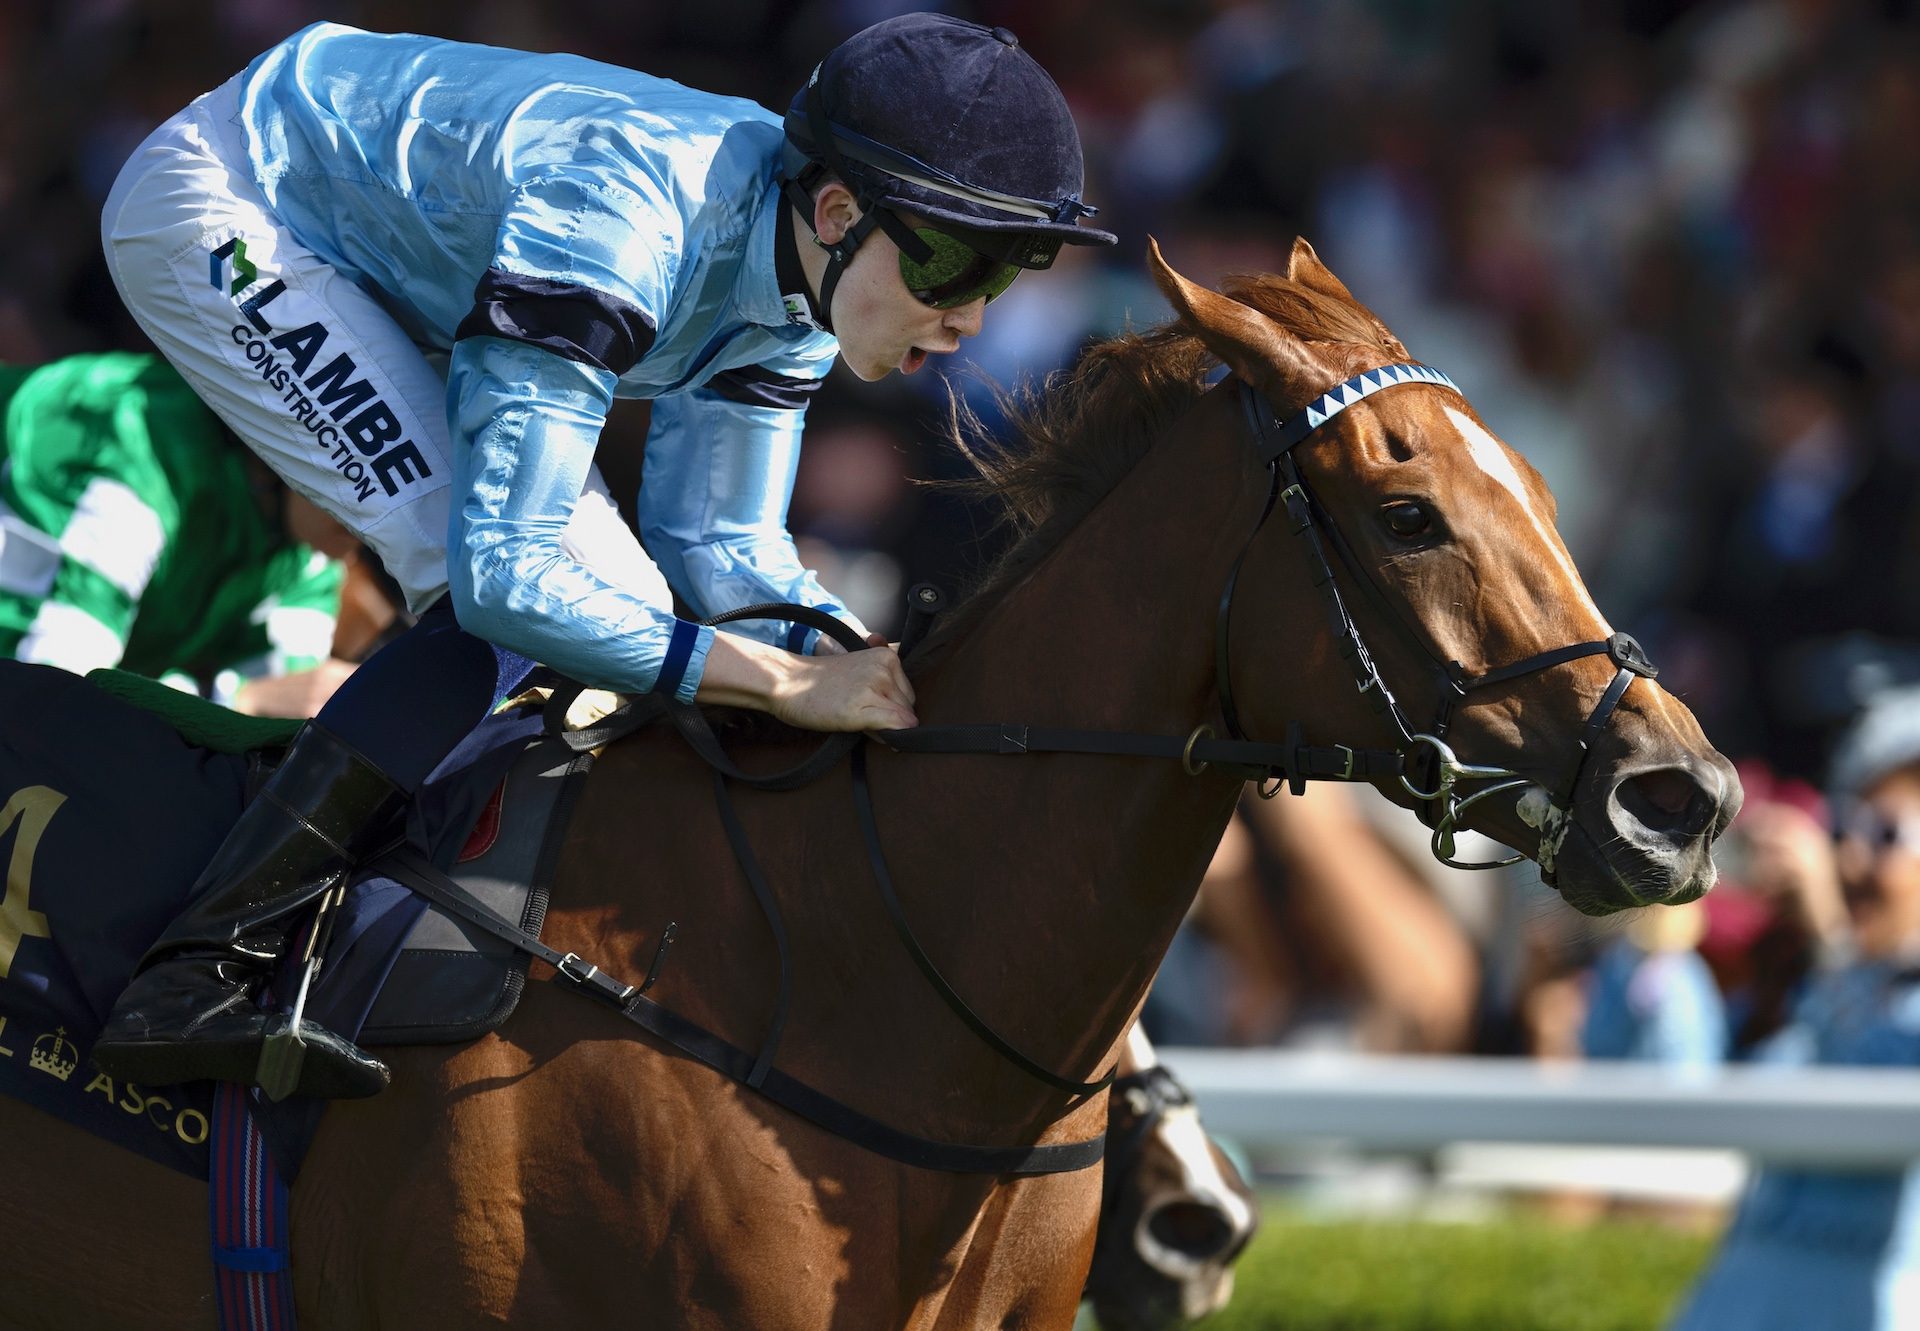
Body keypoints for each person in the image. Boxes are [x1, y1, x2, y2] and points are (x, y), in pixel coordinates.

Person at [85, 15, 1114, 1100]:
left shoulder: (808, 278)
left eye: (1012, 267)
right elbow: (507, 578)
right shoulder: (622, 218)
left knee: (616, 605)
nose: (971, 318)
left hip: (374, 240)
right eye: (956, 260)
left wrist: (883, 679)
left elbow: (721, 546)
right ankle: (200, 968)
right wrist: (786, 679)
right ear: (838, 209)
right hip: (232, 201)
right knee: (498, 580)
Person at [1669, 683, 1920, 1331]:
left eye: (1886, 834)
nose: (1851, 857)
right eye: (1842, 828)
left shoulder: (1837, 969)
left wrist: (1831, 944)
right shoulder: (1804, 983)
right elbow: (1672, 1088)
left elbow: (1878, 1076)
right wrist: (1655, 946)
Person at [0, 350, 359, 715]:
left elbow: (287, 700)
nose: (390, 541)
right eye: (366, 481)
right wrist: (236, 699)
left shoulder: (313, 539)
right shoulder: (142, 459)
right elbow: (45, 702)